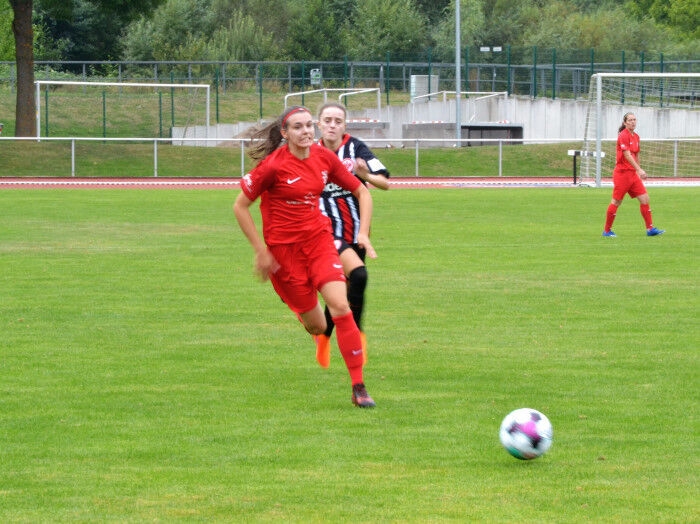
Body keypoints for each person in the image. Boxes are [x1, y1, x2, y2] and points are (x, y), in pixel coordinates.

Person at [233, 105, 377, 408]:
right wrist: (260, 251)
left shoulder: (324, 158)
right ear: (285, 134)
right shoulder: (273, 166)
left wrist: (363, 233)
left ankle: (359, 387)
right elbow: (240, 206)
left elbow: (363, 192)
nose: (306, 131)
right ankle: (300, 309)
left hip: (319, 242)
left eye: (309, 125)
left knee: (341, 306)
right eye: (297, 127)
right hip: (284, 254)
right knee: (318, 327)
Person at [312, 102, 390, 369]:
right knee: (358, 276)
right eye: (327, 120)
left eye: (338, 121)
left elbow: (384, 182)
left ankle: (324, 337)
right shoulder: (310, 152)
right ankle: (357, 338)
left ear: (344, 125)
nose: (332, 125)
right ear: (319, 124)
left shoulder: (356, 148)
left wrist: (363, 173)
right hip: (324, 232)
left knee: (344, 290)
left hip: (356, 232)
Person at [603, 112, 664, 237]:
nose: (633, 122)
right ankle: (607, 231)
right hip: (622, 174)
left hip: (632, 175)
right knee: (616, 202)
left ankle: (650, 229)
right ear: (625, 122)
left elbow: (636, 155)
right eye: (630, 120)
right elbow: (627, 154)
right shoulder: (623, 135)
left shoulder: (636, 136)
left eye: (634, 119)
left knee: (645, 199)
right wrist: (639, 169)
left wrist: (638, 171)